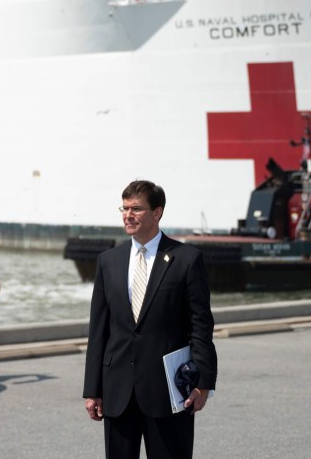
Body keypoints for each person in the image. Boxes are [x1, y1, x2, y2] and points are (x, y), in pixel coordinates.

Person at [83, 180, 217, 459]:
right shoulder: (108, 261)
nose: (127, 215)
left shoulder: (187, 259)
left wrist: (203, 383)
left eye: (136, 209)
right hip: (117, 390)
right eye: (124, 207)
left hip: (168, 390)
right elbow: (98, 331)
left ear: (157, 213)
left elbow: (201, 327)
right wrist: (92, 389)